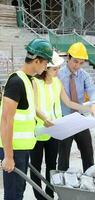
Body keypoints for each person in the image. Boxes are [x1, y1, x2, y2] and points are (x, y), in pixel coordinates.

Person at [30, 50, 93, 199]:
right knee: (36, 166)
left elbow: (69, 102)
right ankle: (40, 197)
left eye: (58, 68)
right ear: (46, 68)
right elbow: (33, 106)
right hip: (38, 130)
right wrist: (44, 118)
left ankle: (50, 194)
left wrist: (87, 108)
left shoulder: (57, 83)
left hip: (54, 130)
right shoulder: (35, 82)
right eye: (55, 69)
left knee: (52, 166)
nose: (58, 71)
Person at [0, 38, 53, 200]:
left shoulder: (28, 81)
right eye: (45, 63)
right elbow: (6, 120)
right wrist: (8, 156)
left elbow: (29, 108)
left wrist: (44, 118)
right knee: (13, 194)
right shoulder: (16, 82)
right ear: (36, 61)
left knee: (19, 191)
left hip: (22, 148)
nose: (46, 68)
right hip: (13, 149)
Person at [58, 42, 95, 172]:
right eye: (75, 62)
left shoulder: (84, 75)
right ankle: (63, 185)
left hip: (80, 118)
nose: (77, 66)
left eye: (81, 63)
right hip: (64, 119)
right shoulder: (58, 75)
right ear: (68, 58)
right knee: (63, 155)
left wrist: (94, 103)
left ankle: (90, 179)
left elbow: (92, 90)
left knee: (87, 150)